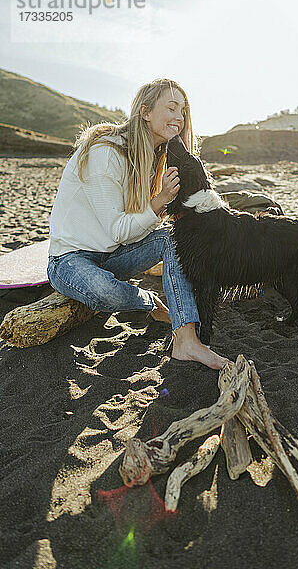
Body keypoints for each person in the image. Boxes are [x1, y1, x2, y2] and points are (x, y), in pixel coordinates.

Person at [47, 78, 228, 370]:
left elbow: (135, 230)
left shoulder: (153, 157)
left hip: (116, 254)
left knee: (173, 240)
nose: (179, 117)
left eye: (182, 110)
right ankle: (152, 303)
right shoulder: (106, 153)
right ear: (145, 111)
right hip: (70, 259)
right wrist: (159, 202)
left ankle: (187, 341)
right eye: (171, 108)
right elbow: (115, 231)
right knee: (105, 292)